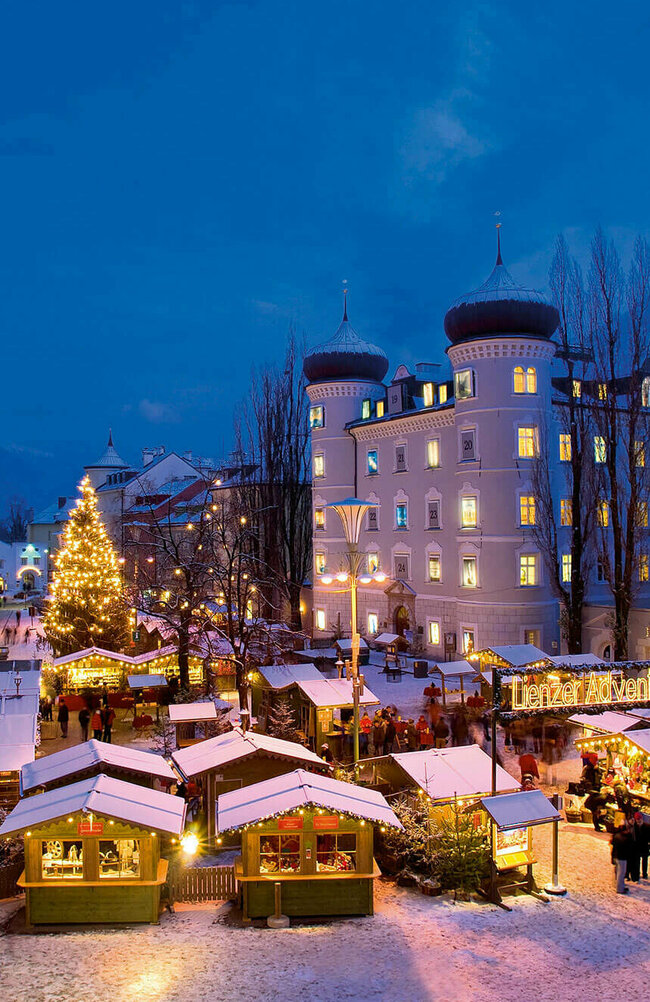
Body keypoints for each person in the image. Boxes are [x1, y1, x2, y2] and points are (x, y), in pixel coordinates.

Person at [611, 821, 632, 894]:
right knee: (621, 873)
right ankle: (620, 889)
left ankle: (618, 886)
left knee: (617, 872)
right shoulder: (625, 838)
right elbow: (628, 848)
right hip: (622, 857)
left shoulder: (616, 835)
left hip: (616, 856)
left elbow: (612, 846)